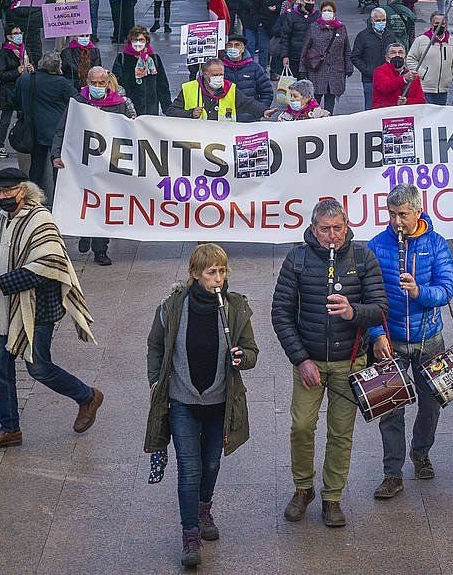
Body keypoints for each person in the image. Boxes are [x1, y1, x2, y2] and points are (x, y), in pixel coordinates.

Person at [271, 199, 387, 528]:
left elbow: (380, 308)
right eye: (325, 229)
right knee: (302, 427)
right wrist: (301, 359)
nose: (332, 236)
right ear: (312, 229)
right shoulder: (298, 259)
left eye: (338, 228)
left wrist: (354, 313)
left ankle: (332, 496)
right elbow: (280, 313)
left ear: (347, 226)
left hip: (349, 362)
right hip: (310, 362)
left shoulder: (363, 257)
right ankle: (303, 488)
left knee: (341, 433)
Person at [144, 243, 259, 568]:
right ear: (195, 274)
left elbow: (251, 350)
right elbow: (155, 345)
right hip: (182, 403)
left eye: (222, 271)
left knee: (210, 465)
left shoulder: (235, 307)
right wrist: (156, 382)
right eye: (212, 272)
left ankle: (204, 508)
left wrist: (243, 357)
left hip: (220, 403)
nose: (218, 278)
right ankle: (190, 534)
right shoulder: (172, 307)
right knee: (189, 469)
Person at [0, 167, 101, 452]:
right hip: (8, 307)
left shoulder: (41, 221)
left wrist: (2, 282)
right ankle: (10, 429)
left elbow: (46, 267)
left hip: (38, 308)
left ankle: (87, 396)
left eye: (8, 191)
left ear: (24, 190)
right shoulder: (3, 220)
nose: (3, 197)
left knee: (39, 368)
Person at [366, 184, 453, 499]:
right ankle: (392, 473)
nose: (396, 222)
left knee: (432, 402)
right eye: (391, 214)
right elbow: (368, 297)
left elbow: (446, 290)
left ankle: (421, 451)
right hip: (390, 340)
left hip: (429, 339)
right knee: (390, 409)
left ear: (417, 211)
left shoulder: (437, 244)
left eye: (402, 214)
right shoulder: (377, 246)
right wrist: (376, 335)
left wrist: (419, 292)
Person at [51, 67, 136, 265]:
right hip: (80, 162)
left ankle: (100, 249)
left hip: (106, 164)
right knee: (84, 201)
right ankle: (85, 233)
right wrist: (56, 155)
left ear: (108, 83)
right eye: (93, 83)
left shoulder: (118, 104)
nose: (98, 87)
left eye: (101, 83)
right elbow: (61, 130)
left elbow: (126, 133)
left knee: (103, 204)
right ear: (86, 82)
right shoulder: (77, 103)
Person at [15, 51, 75, 201]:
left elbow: (15, 99)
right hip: (55, 130)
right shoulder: (61, 83)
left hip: (33, 129)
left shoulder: (25, 79)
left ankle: (33, 197)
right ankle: (59, 198)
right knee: (58, 165)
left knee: (36, 165)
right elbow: (76, 100)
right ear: (58, 67)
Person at [166, 58, 270, 122]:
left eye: (221, 75)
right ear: (205, 74)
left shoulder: (230, 89)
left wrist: (263, 110)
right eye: (215, 75)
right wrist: (190, 113)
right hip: (196, 140)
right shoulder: (189, 88)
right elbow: (171, 111)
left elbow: (247, 103)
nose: (219, 78)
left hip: (222, 140)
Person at [302, 0, 352, 114]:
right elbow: (305, 50)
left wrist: (349, 67)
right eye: (325, 10)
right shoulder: (313, 27)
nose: (327, 12)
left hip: (335, 71)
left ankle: (328, 119)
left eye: (329, 10)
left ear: (334, 13)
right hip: (317, 71)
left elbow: (346, 50)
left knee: (330, 100)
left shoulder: (341, 28)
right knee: (315, 101)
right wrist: (303, 70)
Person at [111, 26, 172, 116]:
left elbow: (162, 85)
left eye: (141, 40)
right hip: (128, 111)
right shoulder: (122, 59)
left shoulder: (154, 59)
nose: (138, 43)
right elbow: (115, 84)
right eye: (135, 40)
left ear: (146, 41)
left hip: (150, 111)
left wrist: (167, 108)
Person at [406, 11, 453, 106]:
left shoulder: (451, 41)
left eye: (442, 24)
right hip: (425, 87)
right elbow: (411, 59)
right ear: (431, 24)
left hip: (443, 88)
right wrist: (422, 73)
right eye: (437, 23)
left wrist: (452, 74)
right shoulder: (421, 40)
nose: (440, 26)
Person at [0, 23, 31, 158]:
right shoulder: (3, 53)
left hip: (22, 89)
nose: (19, 36)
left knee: (25, 118)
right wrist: (17, 71)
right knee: (5, 120)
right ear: (9, 36)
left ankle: (24, 142)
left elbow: (28, 65)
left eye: (20, 33)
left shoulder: (24, 50)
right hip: (8, 92)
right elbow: (1, 75)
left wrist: (30, 70)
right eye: (16, 33)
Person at [351, 7, 394, 111]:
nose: (381, 22)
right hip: (370, 79)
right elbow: (355, 57)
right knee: (371, 109)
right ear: (372, 21)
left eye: (383, 20)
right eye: (378, 20)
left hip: (388, 78)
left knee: (388, 108)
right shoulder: (363, 36)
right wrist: (368, 70)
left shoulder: (390, 35)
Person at [219, 34, 272, 108]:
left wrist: (259, 109)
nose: (233, 48)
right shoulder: (219, 67)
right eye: (230, 45)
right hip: (226, 114)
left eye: (237, 45)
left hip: (249, 116)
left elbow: (267, 92)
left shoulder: (255, 68)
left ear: (243, 48)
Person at [273, 0, 317, 80]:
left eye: (312, 0)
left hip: (312, 57)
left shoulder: (317, 15)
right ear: (302, 2)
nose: (311, 2)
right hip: (295, 56)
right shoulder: (292, 16)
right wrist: (285, 56)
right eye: (308, 0)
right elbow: (285, 37)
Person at [372, 42, 426, 108]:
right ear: (387, 58)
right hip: (386, 112)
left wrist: (407, 101)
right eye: (393, 53)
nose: (397, 55)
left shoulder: (412, 75)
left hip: (407, 113)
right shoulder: (380, 71)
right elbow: (385, 87)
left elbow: (421, 100)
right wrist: (404, 79)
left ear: (405, 57)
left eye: (400, 52)